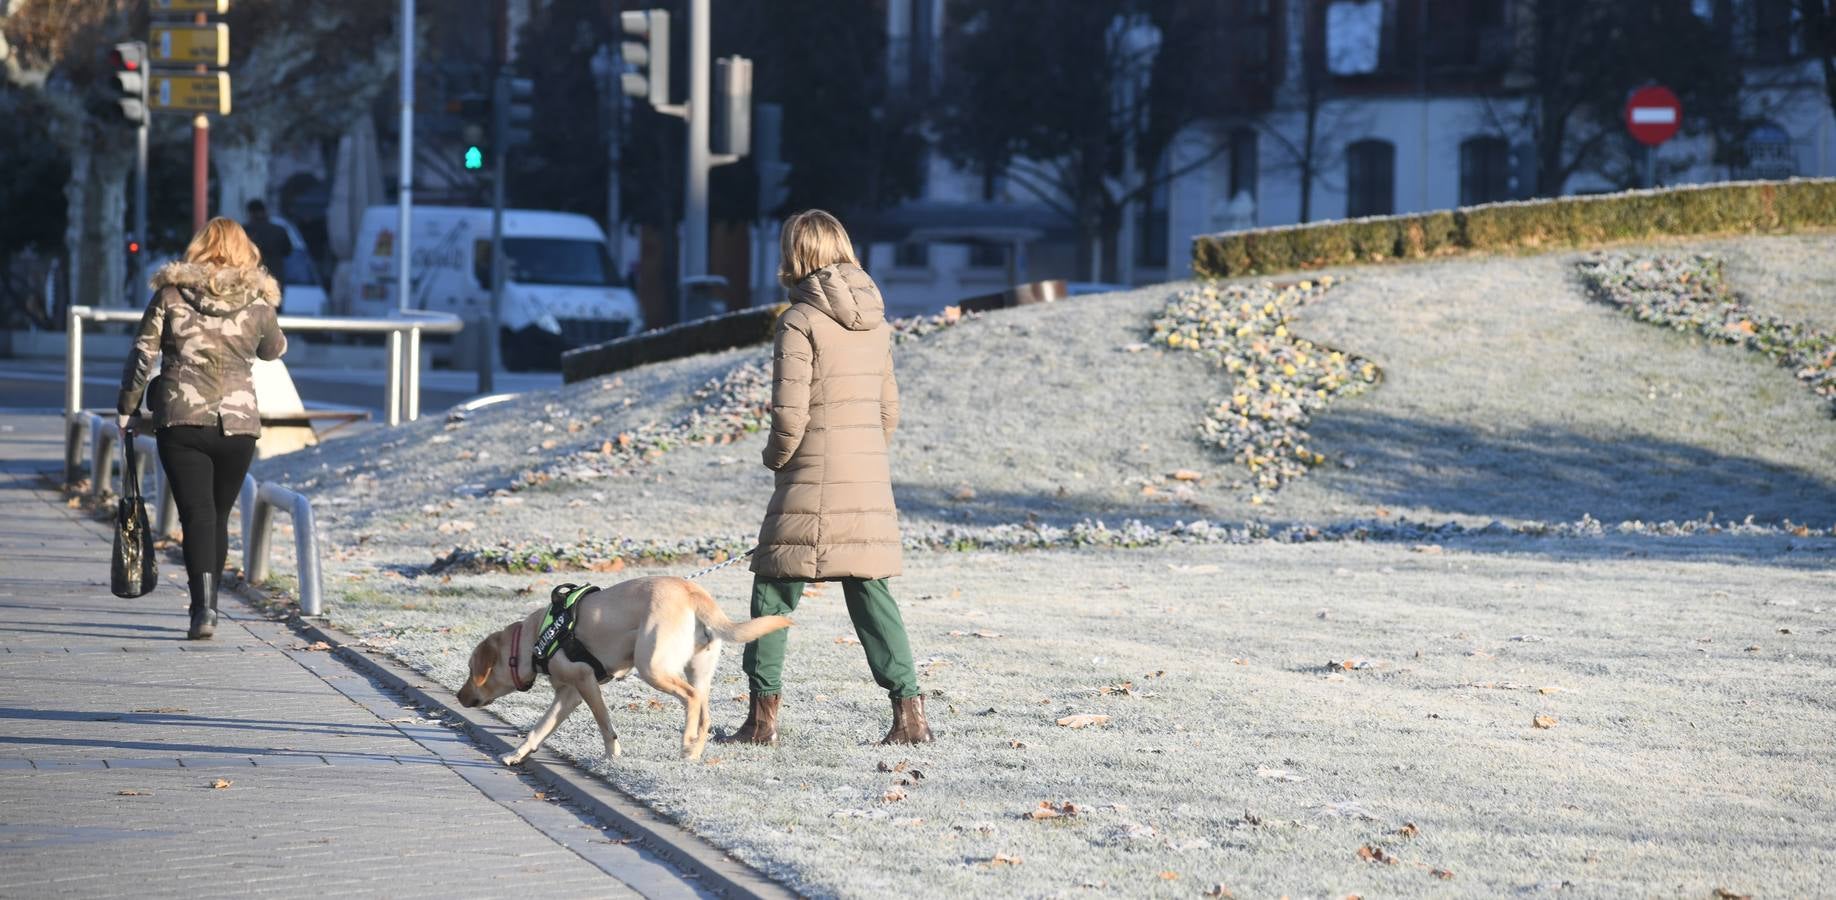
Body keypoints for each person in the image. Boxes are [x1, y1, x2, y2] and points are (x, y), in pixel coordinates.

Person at [718, 209, 933, 747]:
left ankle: (761, 721)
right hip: (865, 475)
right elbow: (889, 412)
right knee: (871, 591)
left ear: (796, 252)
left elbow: (789, 417)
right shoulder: (878, 319)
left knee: (772, 590)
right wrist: (859, 457)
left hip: (810, 473)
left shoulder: (799, 320)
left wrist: (776, 458)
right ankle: (910, 716)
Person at [117, 218, 287, 640]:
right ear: (247, 252)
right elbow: (273, 350)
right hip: (238, 424)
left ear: (198, 249)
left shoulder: (170, 295)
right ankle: (209, 607)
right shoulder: (258, 301)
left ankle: (203, 611)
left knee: (196, 515)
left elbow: (143, 355)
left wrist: (127, 409)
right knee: (219, 514)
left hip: (181, 418)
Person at [241, 199, 292, 308]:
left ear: (249, 213)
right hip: (276, 274)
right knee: (274, 310)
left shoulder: (244, 231)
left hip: (251, 276)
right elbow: (288, 251)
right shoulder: (279, 230)